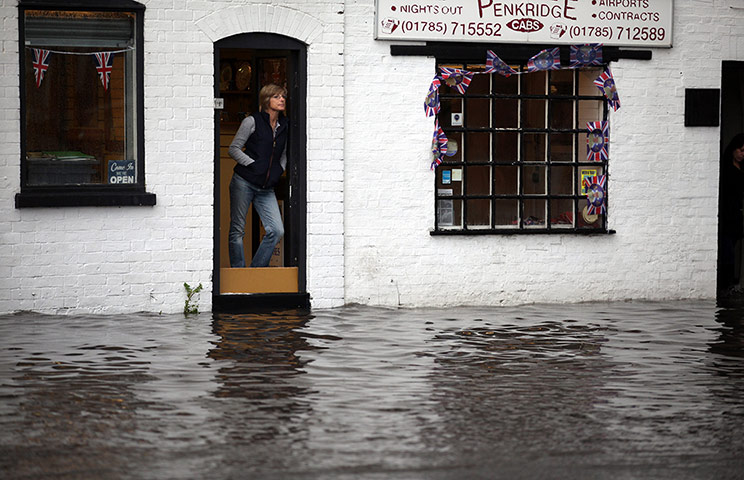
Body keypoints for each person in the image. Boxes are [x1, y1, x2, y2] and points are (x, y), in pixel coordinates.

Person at [227, 84, 288, 268]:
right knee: (237, 230)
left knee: (277, 230)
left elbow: (283, 153)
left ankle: (255, 271)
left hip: (266, 187)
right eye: (276, 97)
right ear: (266, 100)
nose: (282, 99)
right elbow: (234, 149)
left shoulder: (284, 125)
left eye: (283, 96)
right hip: (244, 182)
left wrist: (279, 169)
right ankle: (238, 272)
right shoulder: (252, 121)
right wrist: (253, 165)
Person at [718, 133, 744, 293]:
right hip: (727, 215)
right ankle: (725, 284)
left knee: (732, 248)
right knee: (727, 252)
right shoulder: (727, 169)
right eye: (740, 150)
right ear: (733, 150)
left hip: (737, 215)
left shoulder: (741, 168)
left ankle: (730, 283)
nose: (742, 154)